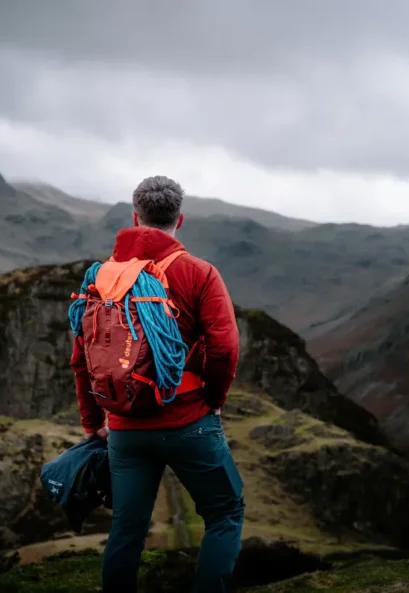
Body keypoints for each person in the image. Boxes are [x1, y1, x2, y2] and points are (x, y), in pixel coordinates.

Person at [70, 175, 244, 593]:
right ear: (179, 219)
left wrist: (93, 422)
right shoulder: (199, 274)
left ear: (135, 217)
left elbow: (82, 359)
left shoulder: (101, 279)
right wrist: (215, 401)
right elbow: (224, 348)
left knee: (127, 531)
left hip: (125, 429)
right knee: (224, 513)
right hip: (189, 421)